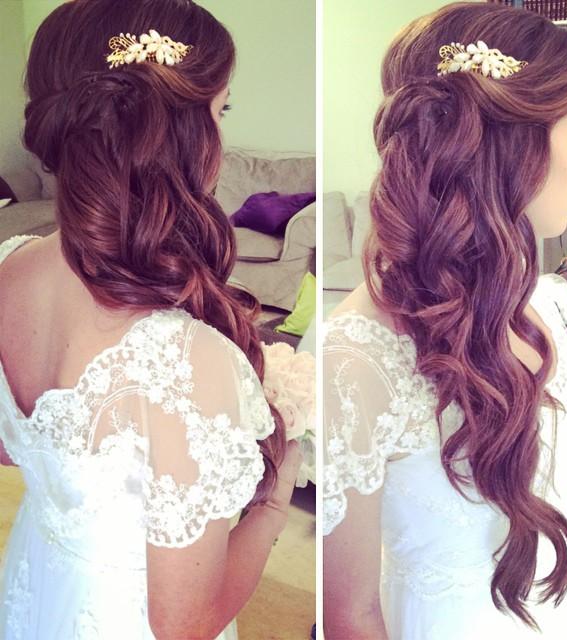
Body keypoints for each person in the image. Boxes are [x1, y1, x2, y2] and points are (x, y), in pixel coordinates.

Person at [0, 1, 303, 638]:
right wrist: (275, 505)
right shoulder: (185, 359)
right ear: (182, 133)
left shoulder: (7, 265)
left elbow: (11, 448)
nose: (222, 138)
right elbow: (184, 624)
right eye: (222, 111)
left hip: (38, 582)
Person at [323, 2, 567, 638]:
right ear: (511, 145)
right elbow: (349, 616)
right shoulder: (357, 357)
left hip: (566, 611)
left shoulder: (535, 303)